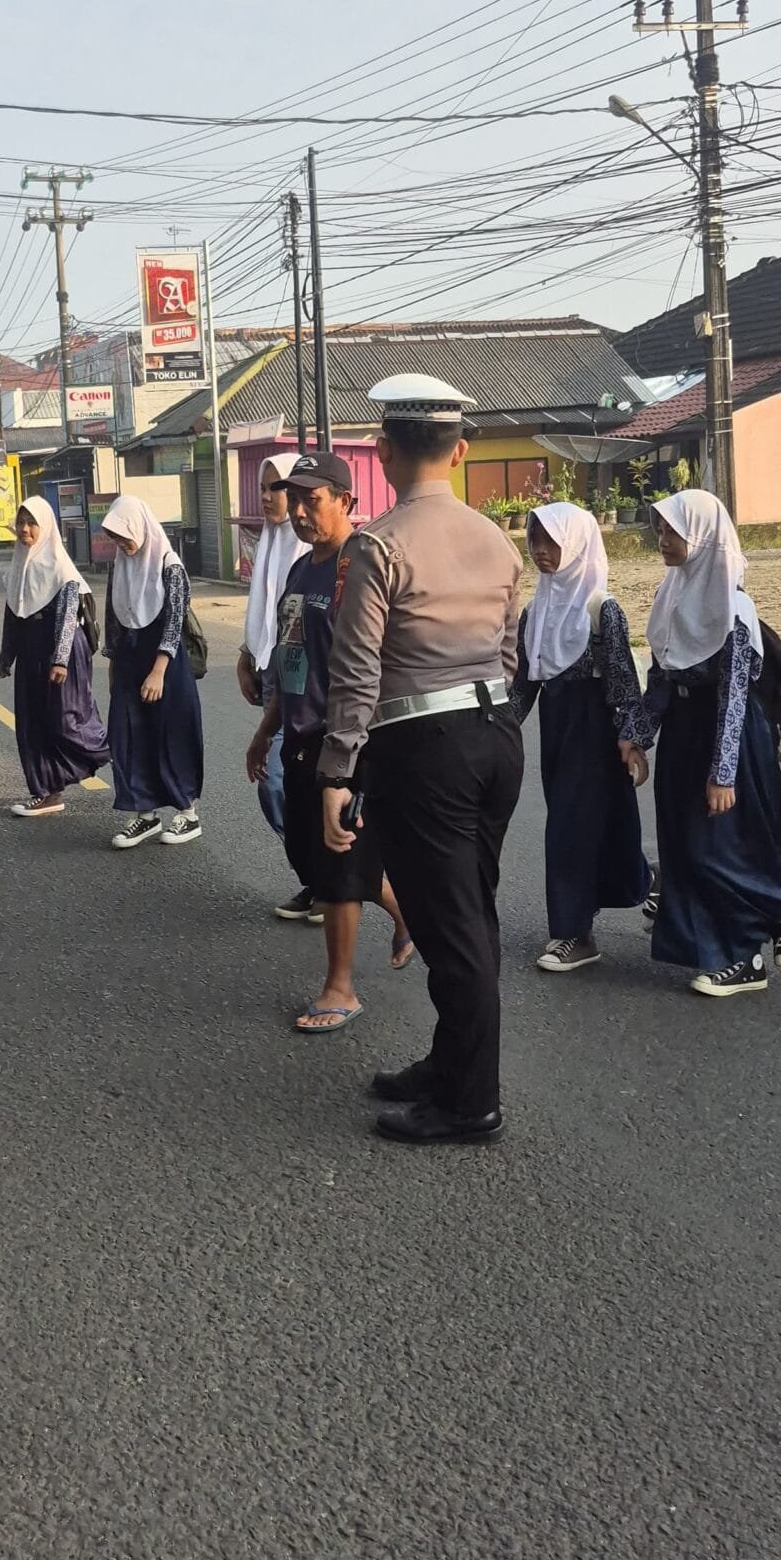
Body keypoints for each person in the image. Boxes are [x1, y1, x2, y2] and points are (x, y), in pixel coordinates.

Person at [318, 375, 524, 1146]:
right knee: (468, 912)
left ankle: (470, 1103)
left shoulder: (378, 545)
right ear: (460, 452)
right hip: (493, 735)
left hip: (423, 747)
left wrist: (336, 771)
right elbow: (510, 650)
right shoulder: (495, 538)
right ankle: (449, 1064)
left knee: (450, 925)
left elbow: (355, 669)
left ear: (382, 452)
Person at [619, 488, 781, 996]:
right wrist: (637, 736)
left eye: (672, 532)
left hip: (728, 737)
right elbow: (661, 680)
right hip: (683, 733)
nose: (662, 540)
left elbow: (734, 697)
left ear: (703, 537)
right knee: (685, 846)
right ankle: (729, 953)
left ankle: (771, 915)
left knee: (718, 848)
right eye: (659, 530)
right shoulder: (671, 596)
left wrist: (723, 773)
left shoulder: (733, 608)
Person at [246, 451, 413, 1031]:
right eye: (292, 499)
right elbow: (292, 657)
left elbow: (373, 666)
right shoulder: (300, 571)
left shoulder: (359, 567)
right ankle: (403, 909)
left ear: (346, 500)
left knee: (338, 864)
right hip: (298, 734)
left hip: (346, 739)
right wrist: (266, 729)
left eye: (311, 500)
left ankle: (340, 988)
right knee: (314, 857)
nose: (298, 512)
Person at [510, 501, 652, 972]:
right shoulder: (536, 611)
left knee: (569, 829)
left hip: (595, 730)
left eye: (552, 541)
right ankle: (646, 882)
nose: (540, 550)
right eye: (535, 540)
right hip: (558, 727)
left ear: (576, 544)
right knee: (598, 826)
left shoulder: (601, 609)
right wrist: (500, 728)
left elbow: (622, 678)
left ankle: (574, 933)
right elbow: (525, 682)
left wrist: (631, 737)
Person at [237, 457, 316, 918]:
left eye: (277, 488)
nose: (267, 497)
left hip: (300, 680)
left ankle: (331, 876)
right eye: (264, 488)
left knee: (277, 782)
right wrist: (247, 655)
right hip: (272, 671)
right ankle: (319, 877)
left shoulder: (308, 548)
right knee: (286, 782)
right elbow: (265, 607)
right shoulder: (270, 539)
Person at [0, 498, 110, 816]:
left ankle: (110, 747)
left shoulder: (61, 568)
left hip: (63, 652)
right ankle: (47, 791)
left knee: (65, 721)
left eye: (31, 523)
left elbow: (68, 615)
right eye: (21, 522)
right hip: (31, 650)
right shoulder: (18, 566)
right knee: (32, 722)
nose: (24, 529)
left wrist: (59, 660)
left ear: (45, 526)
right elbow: (13, 614)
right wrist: (6, 656)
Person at [101, 495, 203, 849]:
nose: (121, 543)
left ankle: (187, 813)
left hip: (165, 663)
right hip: (129, 660)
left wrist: (158, 671)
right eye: (115, 537)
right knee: (128, 735)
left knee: (170, 734)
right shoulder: (119, 565)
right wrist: (113, 662)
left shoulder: (169, 565)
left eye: (124, 535)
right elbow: (113, 616)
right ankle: (144, 814)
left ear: (141, 527)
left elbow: (175, 621)